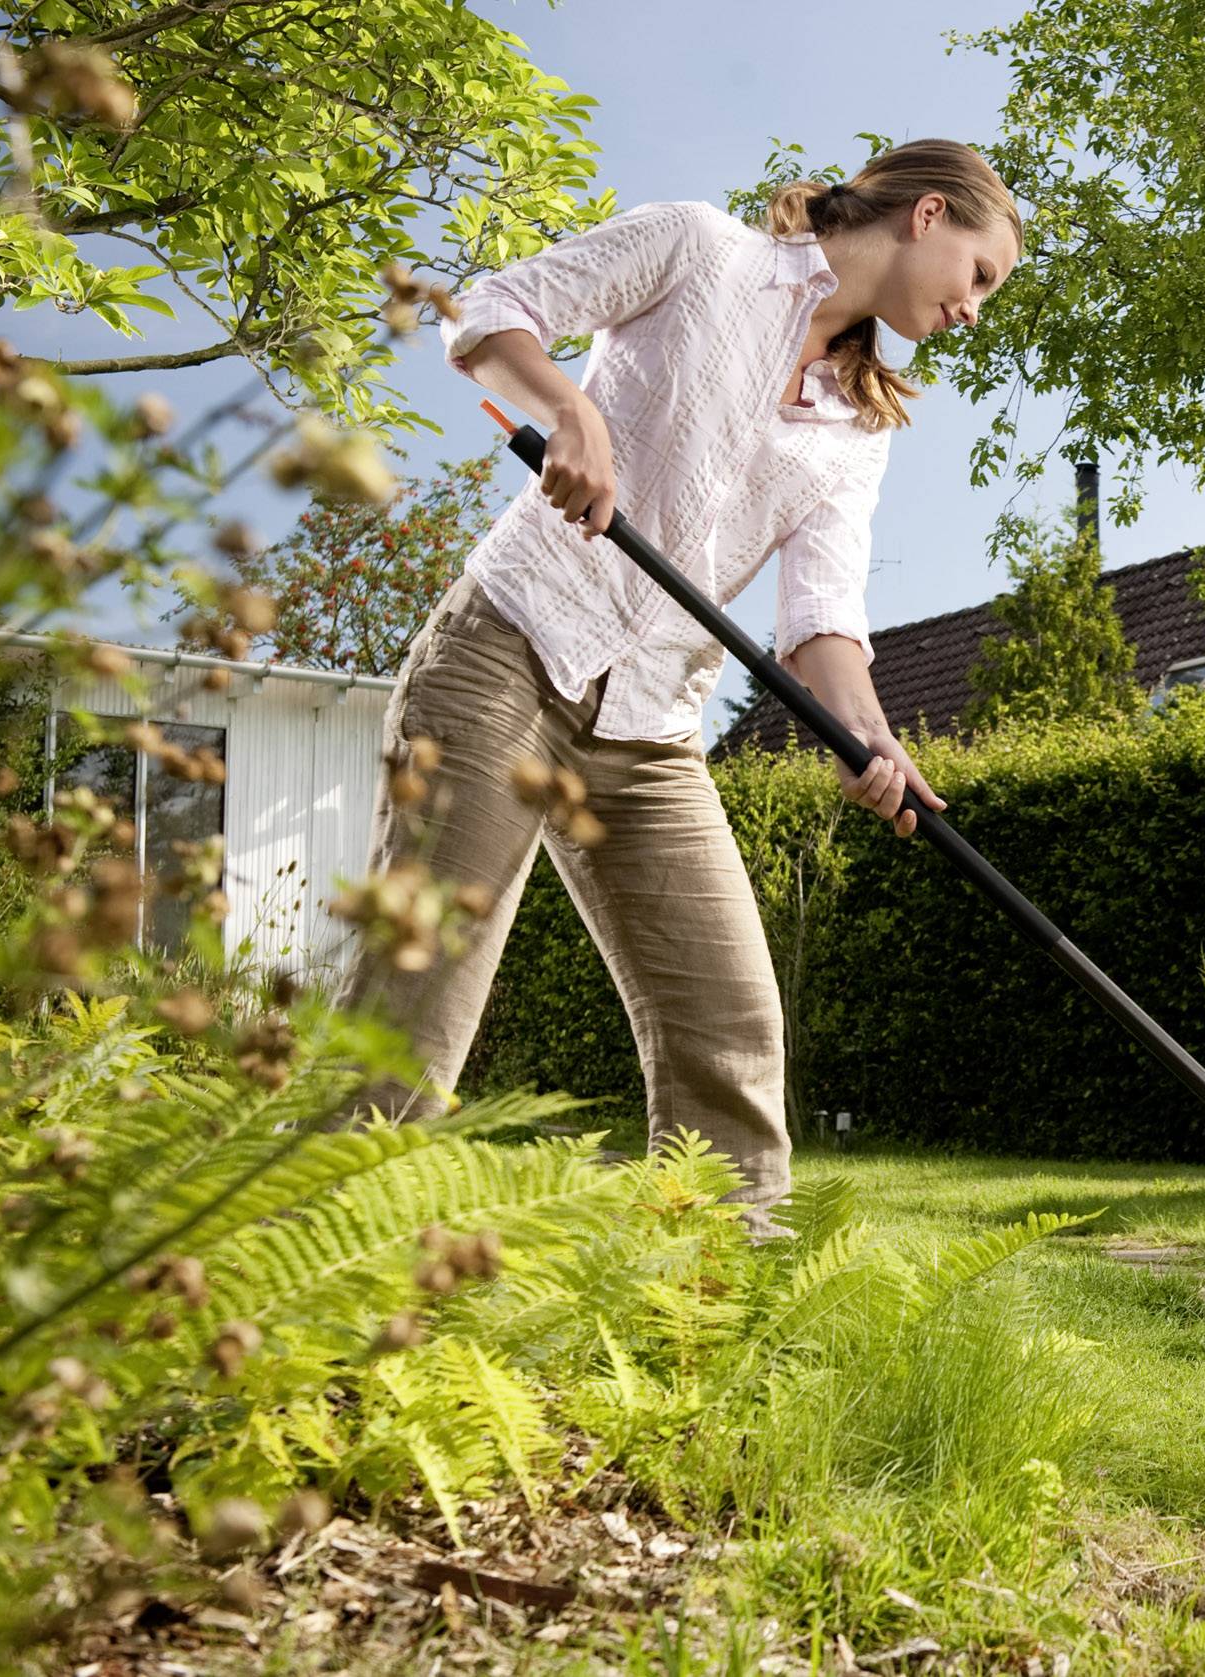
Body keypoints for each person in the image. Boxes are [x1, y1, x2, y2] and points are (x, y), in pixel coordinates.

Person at [331, 139, 1024, 1238]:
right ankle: (297, 1291)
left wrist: (874, 741)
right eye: (980, 276)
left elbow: (822, 625)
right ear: (928, 215)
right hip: (509, 651)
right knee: (420, 1001)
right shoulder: (702, 249)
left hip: (650, 725)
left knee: (731, 1027)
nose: (976, 310)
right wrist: (571, 410)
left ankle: (713, 1316)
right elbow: (490, 316)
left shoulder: (860, 431)